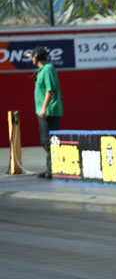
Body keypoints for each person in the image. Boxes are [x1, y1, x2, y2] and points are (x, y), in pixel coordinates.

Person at [30, 45, 63, 179]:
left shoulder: (48, 69)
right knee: (46, 142)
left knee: (50, 141)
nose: (31, 59)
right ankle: (50, 168)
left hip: (49, 111)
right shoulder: (42, 70)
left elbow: (50, 90)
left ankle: (54, 169)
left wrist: (44, 108)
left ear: (37, 57)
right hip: (43, 111)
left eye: (32, 56)